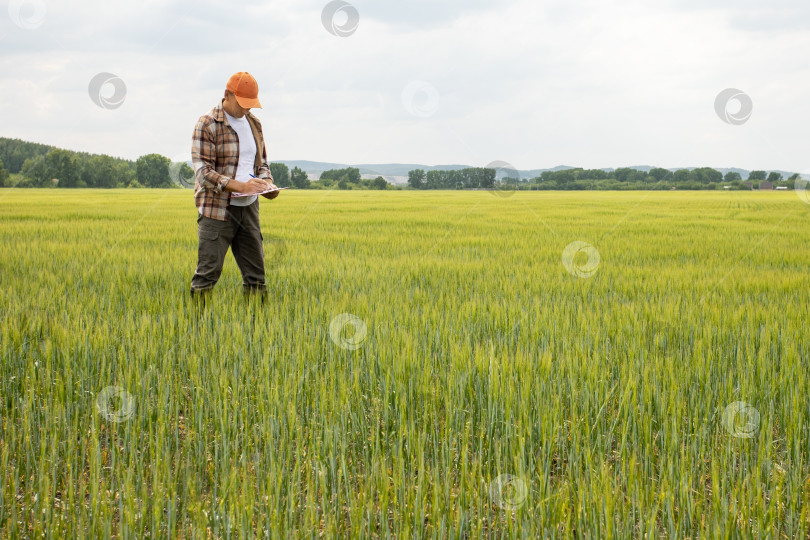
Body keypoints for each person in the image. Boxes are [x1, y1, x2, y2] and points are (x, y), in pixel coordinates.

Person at [189, 71, 280, 300]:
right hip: (217, 211)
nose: (247, 109)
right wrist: (241, 186)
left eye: (251, 104)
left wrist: (267, 183)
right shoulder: (207, 124)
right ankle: (196, 330)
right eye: (243, 104)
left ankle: (257, 329)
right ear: (227, 95)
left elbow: (262, 164)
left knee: (256, 279)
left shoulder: (254, 124)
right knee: (206, 276)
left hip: (248, 210)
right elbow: (204, 173)